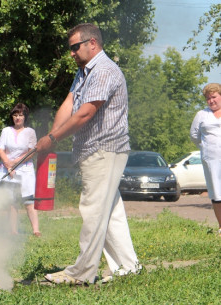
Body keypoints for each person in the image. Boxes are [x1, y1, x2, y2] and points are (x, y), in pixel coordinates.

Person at [34, 23, 140, 284]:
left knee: (93, 209)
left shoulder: (104, 70)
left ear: (92, 43)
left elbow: (86, 112)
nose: (71, 53)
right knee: (109, 210)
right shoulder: (84, 72)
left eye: (75, 47)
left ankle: (81, 273)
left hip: (104, 149)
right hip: (94, 150)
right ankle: (128, 266)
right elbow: (70, 104)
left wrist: (52, 138)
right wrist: (52, 136)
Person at [0, 103, 41, 237]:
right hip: (7, 169)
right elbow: (1, 149)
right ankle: (13, 231)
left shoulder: (30, 132)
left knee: (28, 201)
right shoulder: (6, 131)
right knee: (12, 201)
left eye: (20, 115)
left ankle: (36, 230)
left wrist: (15, 162)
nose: (17, 118)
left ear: (25, 117)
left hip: (25, 169)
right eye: (15, 115)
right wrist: (8, 165)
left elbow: (32, 151)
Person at [190, 83, 221, 237]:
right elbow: (194, 136)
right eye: (208, 98)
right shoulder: (202, 115)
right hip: (211, 160)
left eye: (214, 97)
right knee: (216, 192)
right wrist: (206, 148)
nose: (211, 101)